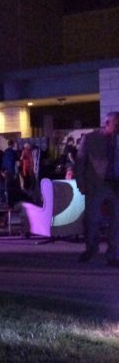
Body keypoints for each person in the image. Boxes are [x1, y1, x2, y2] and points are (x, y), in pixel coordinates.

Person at [74, 112, 119, 266]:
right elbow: (80, 163)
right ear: (107, 123)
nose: (117, 129)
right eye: (116, 125)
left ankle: (113, 254)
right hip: (96, 185)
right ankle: (91, 248)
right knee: (93, 220)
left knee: (117, 221)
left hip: (116, 185)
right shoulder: (91, 139)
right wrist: (81, 184)